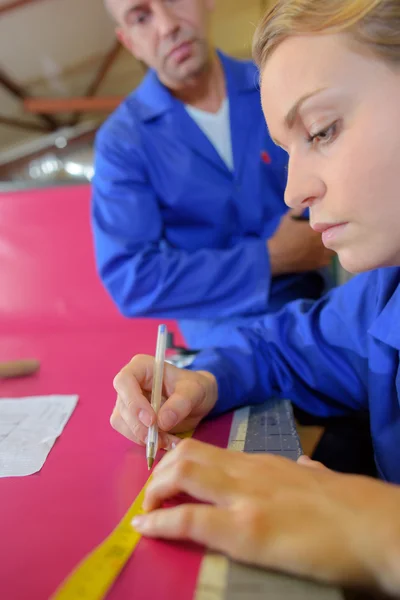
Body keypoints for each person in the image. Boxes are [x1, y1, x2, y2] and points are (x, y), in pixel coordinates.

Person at [111, 0, 400, 594]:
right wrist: (205, 379)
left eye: (322, 130)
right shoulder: (379, 295)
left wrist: (372, 525)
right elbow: (294, 343)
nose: (293, 190)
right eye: (140, 15)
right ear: (124, 39)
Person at [91, 0, 333, 351]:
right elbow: (133, 281)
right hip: (223, 349)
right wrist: (270, 258)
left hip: (327, 313)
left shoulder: (278, 81)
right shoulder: (123, 142)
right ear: (129, 41)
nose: (167, 25)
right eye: (141, 17)